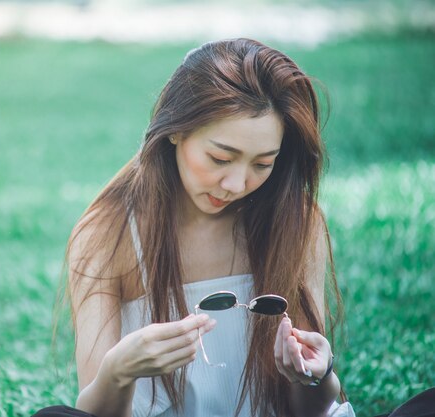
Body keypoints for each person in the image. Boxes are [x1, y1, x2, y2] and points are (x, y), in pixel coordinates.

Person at [34, 38, 354, 417]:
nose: (236, 184)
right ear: (176, 131)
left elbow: (311, 409)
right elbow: (93, 412)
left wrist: (318, 375)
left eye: (262, 164)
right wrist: (118, 371)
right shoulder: (109, 233)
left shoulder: (296, 219)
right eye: (221, 158)